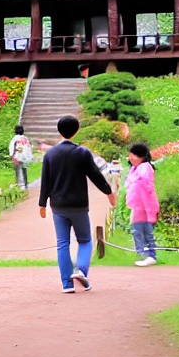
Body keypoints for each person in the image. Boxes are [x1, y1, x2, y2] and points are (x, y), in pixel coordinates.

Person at [39, 115, 117, 293]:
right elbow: (95, 175)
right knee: (85, 240)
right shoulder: (82, 153)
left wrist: (42, 204)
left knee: (62, 243)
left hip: (58, 205)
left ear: (59, 131)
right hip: (79, 205)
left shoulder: (50, 154)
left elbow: (46, 181)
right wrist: (108, 192)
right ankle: (81, 271)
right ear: (76, 131)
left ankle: (67, 284)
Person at [126, 143, 159, 267]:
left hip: (144, 206)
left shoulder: (145, 167)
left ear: (141, 156)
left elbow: (144, 185)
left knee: (144, 231)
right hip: (137, 206)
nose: (130, 157)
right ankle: (144, 255)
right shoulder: (135, 169)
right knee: (138, 230)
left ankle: (150, 255)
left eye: (133, 155)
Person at [8, 124, 34, 189]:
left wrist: (12, 155)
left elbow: (11, 147)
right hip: (24, 157)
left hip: (17, 157)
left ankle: (18, 184)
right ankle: (25, 184)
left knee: (17, 172)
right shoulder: (25, 138)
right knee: (24, 170)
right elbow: (29, 147)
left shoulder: (14, 139)